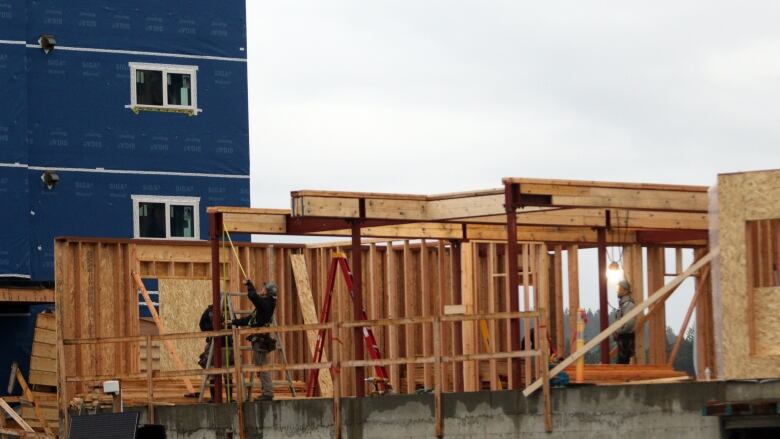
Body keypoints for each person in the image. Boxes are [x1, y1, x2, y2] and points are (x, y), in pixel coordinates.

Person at [232, 279, 278, 401]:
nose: (261, 290)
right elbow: (250, 319)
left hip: (261, 339)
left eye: (264, 289)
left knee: (262, 366)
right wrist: (235, 322)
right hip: (260, 339)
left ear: (267, 292)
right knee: (260, 365)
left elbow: (253, 297)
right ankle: (266, 391)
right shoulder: (265, 304)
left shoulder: (266, 304)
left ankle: (268, 392)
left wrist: (249, 285)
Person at [613, 280, 636, 364]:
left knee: (622, 363)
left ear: (625, 291)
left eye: (619, 288)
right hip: (623, 338)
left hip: (626, 339)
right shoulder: (624, 305)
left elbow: (629, 324)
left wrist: (618, 331)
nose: (617, 291)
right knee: (622, 363)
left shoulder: (628, 304)